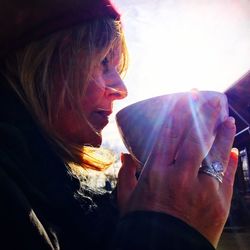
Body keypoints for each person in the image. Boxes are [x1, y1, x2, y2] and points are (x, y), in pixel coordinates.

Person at [0, 0, 238, 249]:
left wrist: (128, 226)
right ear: (39, 63)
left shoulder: (57, 194)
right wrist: (173, 231)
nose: (122, 90)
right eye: (104, 61)